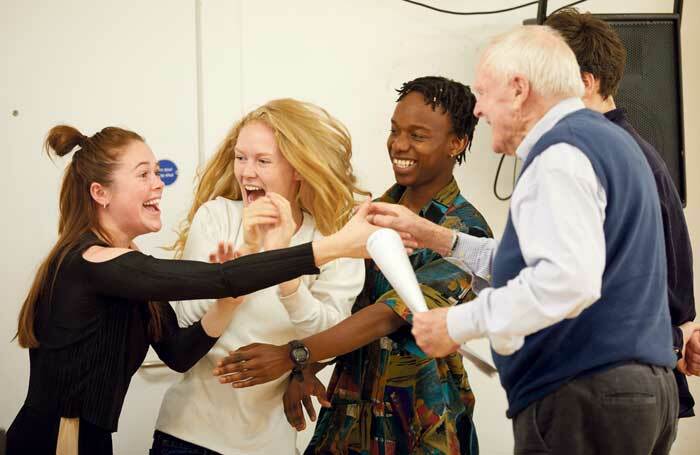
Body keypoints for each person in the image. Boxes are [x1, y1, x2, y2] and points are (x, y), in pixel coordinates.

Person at [371, 27, 679, 454]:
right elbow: (548, 261)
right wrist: (440, 238)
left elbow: (566, 280)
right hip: (639, 394)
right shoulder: (610, 143)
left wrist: (455, 324)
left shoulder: (559, 156)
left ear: (518, 90)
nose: (477, 110)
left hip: (583, 397)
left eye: (482, 93)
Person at [6, 124, 381, 455]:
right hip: (57, 437)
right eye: (143, 174)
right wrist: (337, 246)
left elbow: (180, 352)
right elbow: (221, 278)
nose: (158, 183)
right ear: (100, 193)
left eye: (157, 172)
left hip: (91, 438)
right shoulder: (94, 261)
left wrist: (228, 301)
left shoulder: (130, 265)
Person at [213, 76, 492, 454]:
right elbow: (340, 308)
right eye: (395, 131)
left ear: (456, 143)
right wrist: (306, 367)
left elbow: (388, 315)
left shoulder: (464, 231)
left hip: (421, 425)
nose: (400, 145)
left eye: (418, 135)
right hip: (350, 418)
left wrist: (293, 354)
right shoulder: (367, 215)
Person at [152, 99, 366, 454]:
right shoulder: (217, 217)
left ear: (298, 168)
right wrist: (246, 260)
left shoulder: (330, 241)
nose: (246, 172)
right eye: (241, 157)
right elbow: (185, 320)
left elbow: (326, 335)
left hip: (271, 444)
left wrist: (286, 271)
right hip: (189, 436)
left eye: (263, 161)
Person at [544, 8, 699, 417]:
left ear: (584, 82)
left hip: (610, 392)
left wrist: (674, 339)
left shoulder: (600, 161)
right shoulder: (627, 153)